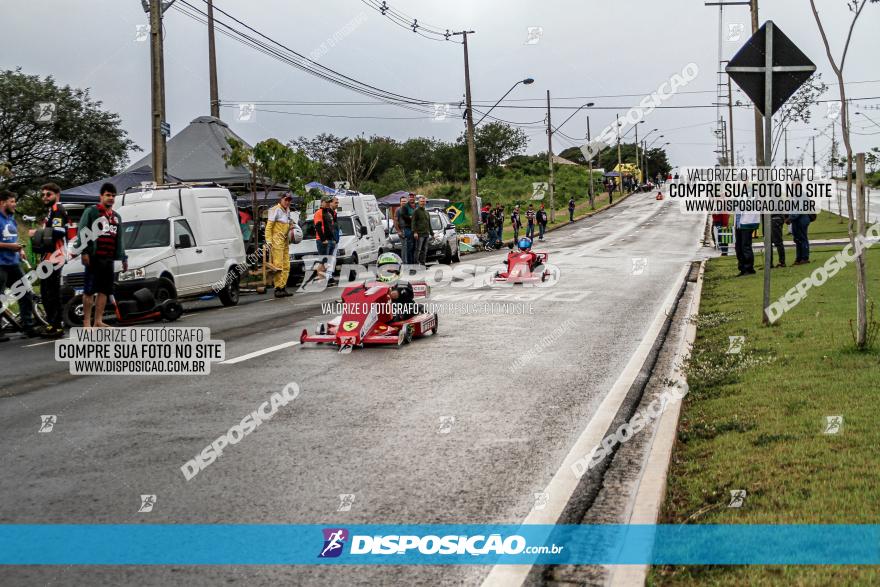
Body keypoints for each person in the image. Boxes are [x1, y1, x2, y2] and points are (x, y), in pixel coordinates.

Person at [77, 183, 127, 328]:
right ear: (101, 196)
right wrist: (84, 251)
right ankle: (86, 322)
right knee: (89, 290)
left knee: (105, 290)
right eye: (108, 195)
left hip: (108, 257)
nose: (111, 198)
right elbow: (82, 230)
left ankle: (98, 321)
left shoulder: (116, 217)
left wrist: (123, 257)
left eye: (113, 195)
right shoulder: (92, 212)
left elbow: (120, 238)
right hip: (94, 257)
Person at [34, 183, 69, 337]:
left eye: (48, 194)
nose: (45, 197)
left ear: (57, 195)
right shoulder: (50, 211)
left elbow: (60, 231)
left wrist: (38, 232)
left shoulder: (58, 209)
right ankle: (52, 324)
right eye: (43, 195)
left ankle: (57, 325)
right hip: (48, 257)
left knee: (52, 293)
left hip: (55, 257)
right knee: (46, 292)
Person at [0, 191, 37, 341]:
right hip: (0, 264)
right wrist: (11, 247)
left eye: (15, 201)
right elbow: (9, 243)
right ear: (2, 202)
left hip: (14, 263)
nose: (15, 204)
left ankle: (28, 328)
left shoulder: (11, 219)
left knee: (25, 293)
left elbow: (14, 239)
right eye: (12, 201)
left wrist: (20, 250)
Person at [265, 193, 295, 297]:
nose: (287, 202)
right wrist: (268, 241)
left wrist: (291, 226)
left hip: (285, 241)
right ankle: (278, 288)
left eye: (289, 200)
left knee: (287, 265)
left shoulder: (288, 210)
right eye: (286, 200)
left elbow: (287, 224)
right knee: (278, 266)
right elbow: (268, 227)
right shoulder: (275, 210)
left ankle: (283, 287)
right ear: (281, 199)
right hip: (277, 242)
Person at [376, 252, 416, 321]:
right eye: (385, 267)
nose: (388, 270)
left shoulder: (404, 284)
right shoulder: (375, 284)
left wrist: (397, 292)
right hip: (380, 310)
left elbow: (407, 292)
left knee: (412, 307)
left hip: (399, 309)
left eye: (392, 267)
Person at [734, 211, 759, 276]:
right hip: (739, 223)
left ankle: (749, 268)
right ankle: (742, 268)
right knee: (738, 247)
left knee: (745, 246)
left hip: (747, 223)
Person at [413, 195, 433, 267]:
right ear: (418, 202)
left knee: (424, 250)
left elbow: (429, 224)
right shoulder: (416, 211)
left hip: (426, 234)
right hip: (419, 234)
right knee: (418, 250)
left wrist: (432, 234)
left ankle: (422, 264)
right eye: (421, 201)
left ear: (425, 202)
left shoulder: (426, 212)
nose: (422, 203)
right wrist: (415, 232)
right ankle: (415, 265)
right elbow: (413, 222)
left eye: (424, 201)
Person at [394, 194, 414, 265]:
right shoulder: (398, 210)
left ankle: (410, 263)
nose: (404, 202)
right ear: (400, 202)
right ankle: (404, 263)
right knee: (404, 247)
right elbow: (395, 221)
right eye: (402, 201)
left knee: (410, 247)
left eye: (405, 201)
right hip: (402, 230)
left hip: (410, 230)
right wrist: (398, 231)